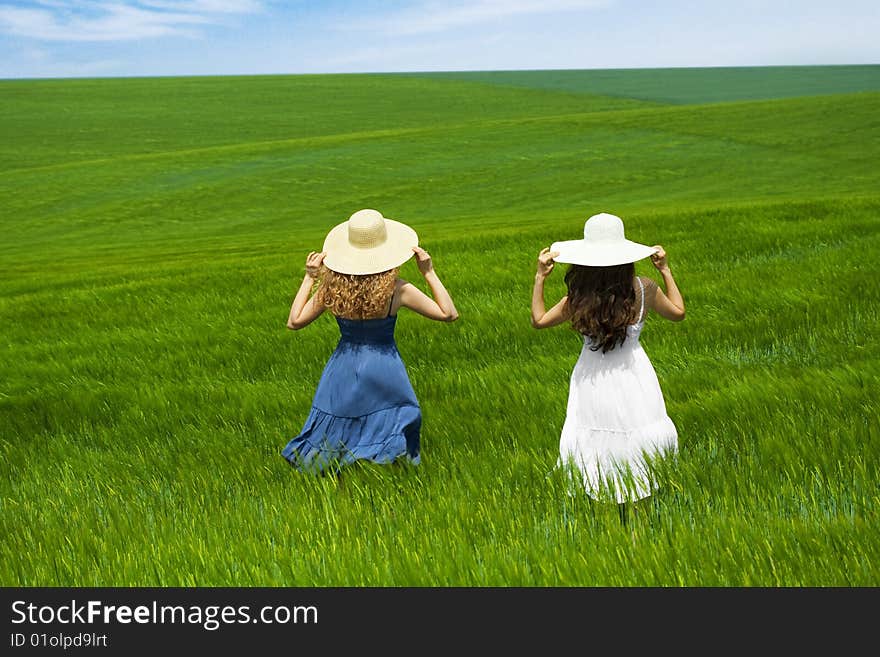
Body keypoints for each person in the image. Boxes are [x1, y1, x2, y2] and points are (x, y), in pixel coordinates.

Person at [282, 208, 458, 474]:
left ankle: (342, 477)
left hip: (343, 365)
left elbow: (294, 321)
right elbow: (448, 313)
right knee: (397, 419)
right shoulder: (397, 289)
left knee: (340, 422)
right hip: (383, 364)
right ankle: (390, 473)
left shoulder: (333, 287)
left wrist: (309, 278)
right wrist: (429, 272)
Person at [530, 212, 685, 506]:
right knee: (638, 432)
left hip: (591, 377)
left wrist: (540, 277)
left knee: (595, 434)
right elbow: (678, 311)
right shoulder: (643, 288)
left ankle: (602, 501)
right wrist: (665, 269)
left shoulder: (579, 296)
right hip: (634, 375)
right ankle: (638, 502)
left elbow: (539, 320)